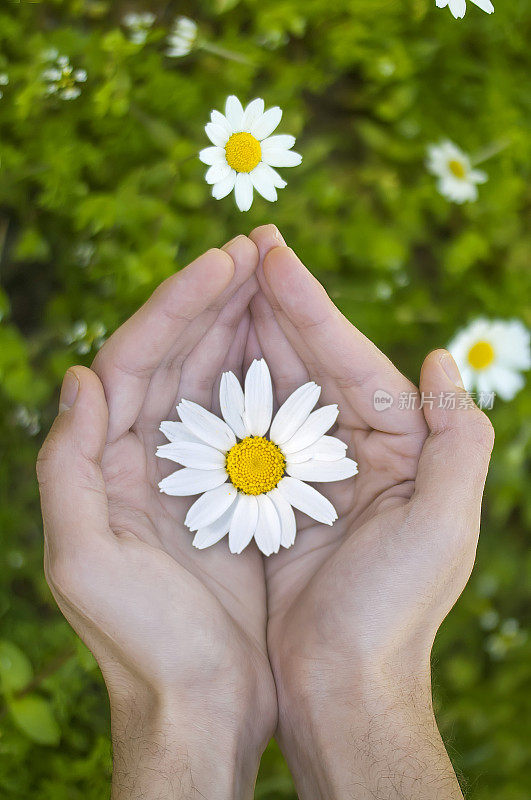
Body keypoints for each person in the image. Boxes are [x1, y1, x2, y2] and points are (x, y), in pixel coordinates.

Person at [36, 225, 494, 800]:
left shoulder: (288, 463)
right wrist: (360, 682)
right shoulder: (234, 455)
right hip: (238, 462)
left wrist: (188, 700)